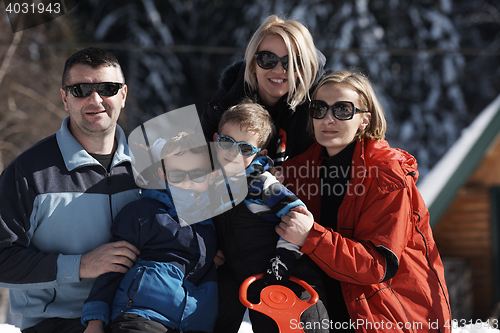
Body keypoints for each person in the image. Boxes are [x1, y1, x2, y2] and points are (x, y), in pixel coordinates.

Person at [278, 69, 452, 332]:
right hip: (328, 308)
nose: (328, 118)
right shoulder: (297, 171)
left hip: (388, 313)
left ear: (364, 120)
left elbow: (375, 266)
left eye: (343, 110)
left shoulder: (386, 175)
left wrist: (310, 236)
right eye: (320, 108)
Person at [0, 47, 141, 333]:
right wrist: (81, 265)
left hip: (139, 315)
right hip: (58, 322)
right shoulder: (28, 173)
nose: (95, 99)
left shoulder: (151, 165)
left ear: (123, 95)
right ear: (65, 98)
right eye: (80, 89)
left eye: (107, 88)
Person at [81, 131, 218, 333]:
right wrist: (95, 320)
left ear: (211, 176)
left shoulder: (212, 223)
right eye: (177, 174)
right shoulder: (144, 213)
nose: (187, 182)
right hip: (141, 315)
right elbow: (113, 265)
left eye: (197, 174)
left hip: (193, 323)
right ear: (163, 174)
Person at [211, 100, 328, 333]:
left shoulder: (261, 183)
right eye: (227, 142)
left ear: (260, 154)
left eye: (244, 149)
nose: (233, 153)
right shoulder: (214, 183)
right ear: (216, 141)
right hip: (255, 287)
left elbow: (297, 212)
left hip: (291, 283)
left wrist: (282, 258)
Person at [201, 14, 325, 165]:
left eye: (292, 62)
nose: (279, 70)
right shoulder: (227, 99)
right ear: (252, 64)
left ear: (304, 68)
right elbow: (201, 154)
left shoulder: (320, 105)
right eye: (267, 59)